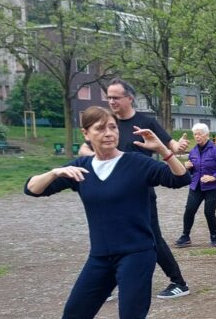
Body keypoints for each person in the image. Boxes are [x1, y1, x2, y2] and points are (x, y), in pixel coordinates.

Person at [14, 106, 190, 319]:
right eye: (99, 129)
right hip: (100, 257)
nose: (108, 133)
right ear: (86, 134)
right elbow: (31, 189)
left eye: (111, 127)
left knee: (130, 316)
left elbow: (180, 179)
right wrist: (56, 171)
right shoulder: (80, 169)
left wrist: (163, 150)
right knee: (75, 312)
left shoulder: (135, 163)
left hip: (137, 252)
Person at [79, 78, 191, 300]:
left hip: (140, 192)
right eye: (108, 97)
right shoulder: (107, 123)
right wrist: (103, 159)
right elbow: (84, 148)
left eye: (115, 97)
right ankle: (112, 281)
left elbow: (171, 147)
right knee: (114, 236)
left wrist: (179, 147)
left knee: (152, 237)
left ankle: (178, 282)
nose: (111, 101)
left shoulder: (145, 122)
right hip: (110, 192)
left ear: (129, 98)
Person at [175, 124, 216, 247]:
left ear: (206, 135)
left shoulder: (215, 150)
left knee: (209, 212)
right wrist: (187, 167)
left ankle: (213, 237)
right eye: (195, 134)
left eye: (199, 134)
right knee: (189, 210)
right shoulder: (193, 151)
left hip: (214, 188)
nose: (197, 136)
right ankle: (185, 236)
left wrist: (214, 177)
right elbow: (192, 171)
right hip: (196, 186)